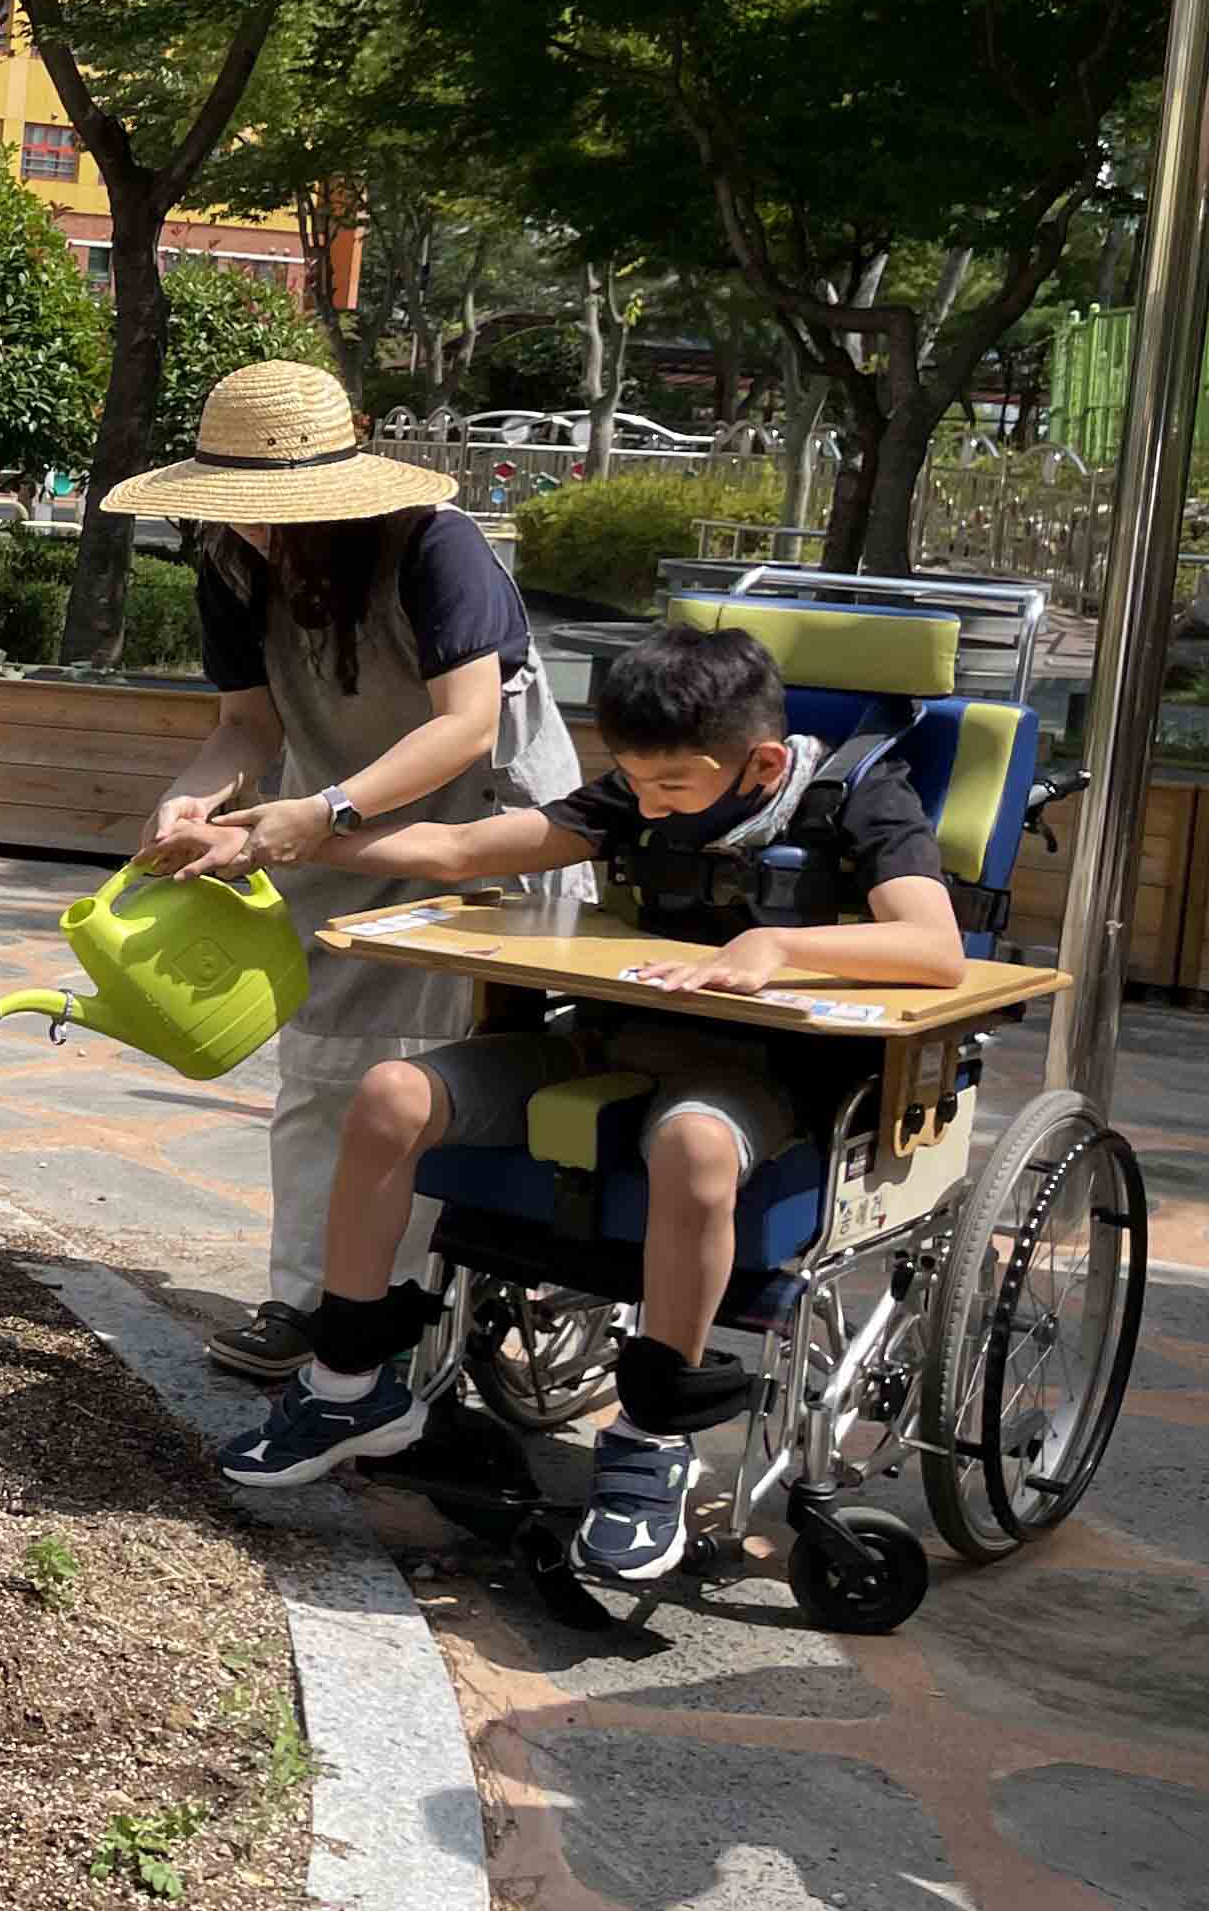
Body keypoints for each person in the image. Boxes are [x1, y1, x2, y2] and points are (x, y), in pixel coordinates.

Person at [211, 622, 968, 1579]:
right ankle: (349, 1379)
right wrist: (295, 830)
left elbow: (935, 950)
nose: (645, 806)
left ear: (763, 763)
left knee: (692, 1146)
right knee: (391, 1094)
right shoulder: (639, 792)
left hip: (762, 1075)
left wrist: (777, 949)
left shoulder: (864, 799)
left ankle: (651, 1443)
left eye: (671, 789)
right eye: (635, 783)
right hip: (604, 1040)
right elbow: (458, 849)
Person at [121, 362, 584, 1377]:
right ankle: (305, 1303)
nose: (250, 529)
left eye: (267, 508)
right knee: (319, 1071)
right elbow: (245, 724)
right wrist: (195, 794)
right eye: (232, 508)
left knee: (415, 1082)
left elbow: (466, 727)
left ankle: (387, 1318)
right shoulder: (232, 568)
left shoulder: (436, 548)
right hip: (329, 831)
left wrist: (326, 809)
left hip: (482, 838)